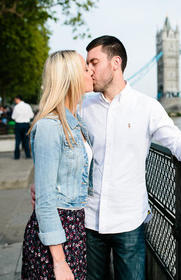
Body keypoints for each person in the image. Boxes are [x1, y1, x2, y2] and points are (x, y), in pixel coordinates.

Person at [81, 36, 181, 279]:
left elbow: (176, 140)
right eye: (87, 64)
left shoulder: (147, 107)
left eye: (94, 63)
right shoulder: (83, 107)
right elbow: (62, 141)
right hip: (89, 219)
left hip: (128, 221)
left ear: (115, 63)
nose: (89, 71)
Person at [22, 50, 93, 279]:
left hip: (75, 229)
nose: (90, 71)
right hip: (56, 238)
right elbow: (45, 200)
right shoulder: (50, 127)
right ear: (71, 77)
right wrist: (60, 261)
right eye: (84, 68)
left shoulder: (77, 123)